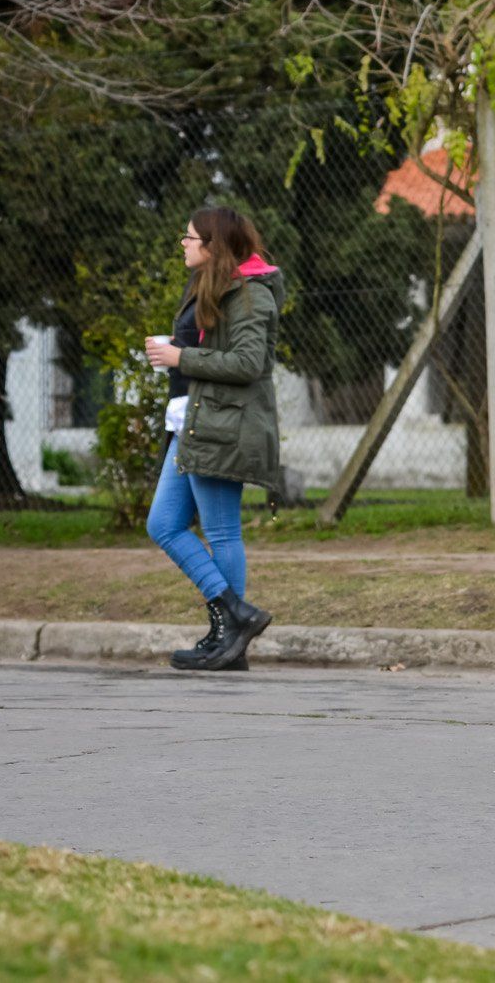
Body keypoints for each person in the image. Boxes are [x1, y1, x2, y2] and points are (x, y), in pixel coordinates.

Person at [141, 206, 285, 672]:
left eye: (189, 237)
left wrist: (180, 358)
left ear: (213, 244)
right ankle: (234, 622)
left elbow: (248, 363)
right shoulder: (207, 284)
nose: (183, 244)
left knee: (221, 531)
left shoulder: (250, 294)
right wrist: (176, 354)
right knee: (164, 524)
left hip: (223, 425)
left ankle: (230, 637)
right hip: (193, 421)